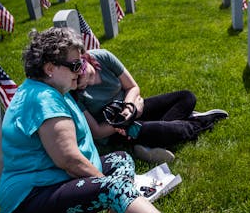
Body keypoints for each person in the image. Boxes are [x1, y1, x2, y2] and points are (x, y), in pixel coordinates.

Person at [0, 27, 247, 213]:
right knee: (113, 187)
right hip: (32, 197)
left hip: (55, 180)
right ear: (50, 68)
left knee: (121, 158)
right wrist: (110, 189)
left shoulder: (48, 90)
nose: (80, 69)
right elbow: (69, 161)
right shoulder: (44, 100)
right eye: (74, 65)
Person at [74, 49, 229, 163]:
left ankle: (147, 142)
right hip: (116, 129)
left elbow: (132, 87)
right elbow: (98, 132)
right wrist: (126, 119)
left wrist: (130, 107)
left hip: (133, 107)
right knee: (171, 130)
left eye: (82, 80)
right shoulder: (74, 90)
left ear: (84, 61)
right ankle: (200, 121)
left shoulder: (103, 57)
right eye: (78, 84)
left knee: (187, 97)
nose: (81, 86)